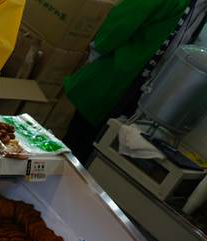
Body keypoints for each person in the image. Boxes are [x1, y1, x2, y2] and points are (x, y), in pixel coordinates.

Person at [63, 0, 191, 163]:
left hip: (134, 85)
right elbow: (123, 21)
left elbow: (122, 21)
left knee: (89, 145)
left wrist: (99, 47)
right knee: (83, 141)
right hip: (124, 78)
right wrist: (100, 48)